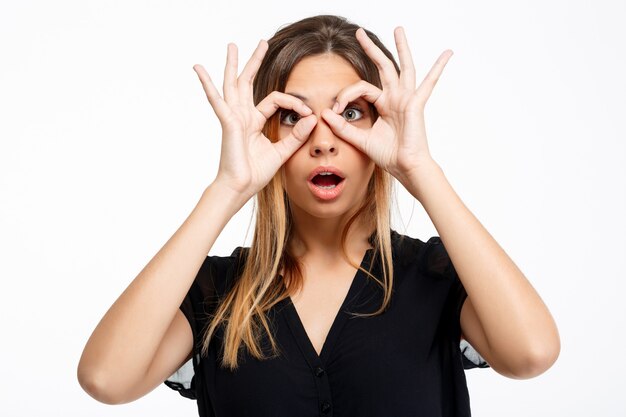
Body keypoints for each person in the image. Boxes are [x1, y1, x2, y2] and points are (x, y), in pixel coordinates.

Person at [77, 14, 560, 416]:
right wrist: (228, 188)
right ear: (266, 131)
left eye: (350, 113)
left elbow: (531, 353)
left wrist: (419, 168)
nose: (324, 140)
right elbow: (105, 379)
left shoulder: (436, 278)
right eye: (294, 116)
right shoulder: (219, 292)